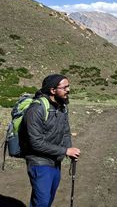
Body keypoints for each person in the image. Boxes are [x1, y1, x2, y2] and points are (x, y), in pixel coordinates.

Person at [20, 74, 81, 207]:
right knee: (41, 202)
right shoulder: (36, 110)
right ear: (53, 90)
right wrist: (66, 150)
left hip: (55, 161)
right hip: (39, 161)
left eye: (68, 86)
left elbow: (65, 132)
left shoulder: (62, 107)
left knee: (48, 200)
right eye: (64, 87)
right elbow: (35, 143)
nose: (68, 90)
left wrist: (70, 150)